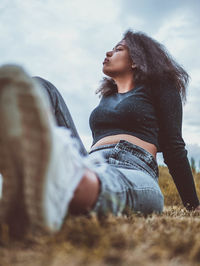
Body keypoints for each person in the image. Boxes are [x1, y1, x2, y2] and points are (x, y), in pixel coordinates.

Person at [0, 30, 199, 235]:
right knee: (41, 87)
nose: (108, 53)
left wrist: (194, 205)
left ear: (136, 60)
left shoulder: (162, 87)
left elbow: (175, 147)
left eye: (118, 49)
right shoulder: (106, 98)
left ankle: (62, 180)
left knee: (108, 183)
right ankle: (46, 165)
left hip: (135, 169)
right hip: (90, 160)